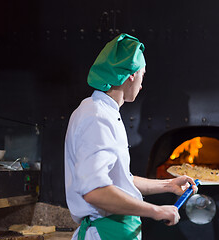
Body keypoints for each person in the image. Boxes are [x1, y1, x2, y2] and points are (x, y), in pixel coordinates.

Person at [64, 33, 197, 240]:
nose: (142, 84)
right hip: (104, 233)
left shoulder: (105, 113)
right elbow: (95, 191)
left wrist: (168, 185)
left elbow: (119, 181)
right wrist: (156, 211)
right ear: (131, 75)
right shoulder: (96, 117)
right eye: (143, 74)